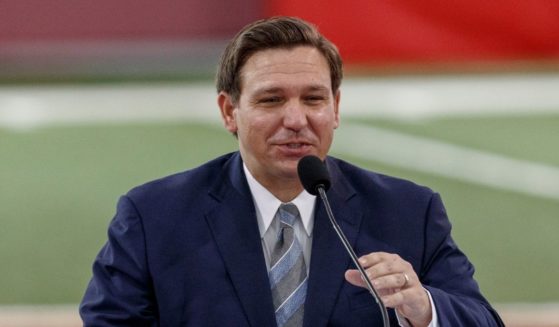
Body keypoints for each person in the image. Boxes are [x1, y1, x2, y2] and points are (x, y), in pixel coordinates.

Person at [80, 16, 504, 326]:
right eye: (271, 100)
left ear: (335, 109)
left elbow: (481, 320)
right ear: (230, 112)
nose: (296, 119)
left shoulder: (409, 211)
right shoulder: (154, 216)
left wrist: (423, 308)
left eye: (314, 99)